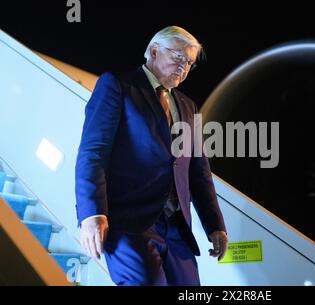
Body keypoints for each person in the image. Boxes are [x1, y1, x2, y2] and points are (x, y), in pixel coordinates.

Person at [75, 26, 228, 286]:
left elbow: (199, 172)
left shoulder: (188, 107)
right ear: (154, 51)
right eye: (179, 57)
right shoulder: (117, 86)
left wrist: (216, 226)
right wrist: (91, 214)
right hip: (129, 222)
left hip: (176, 227)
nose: (184, 67)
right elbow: (93, 152)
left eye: (189, 62)